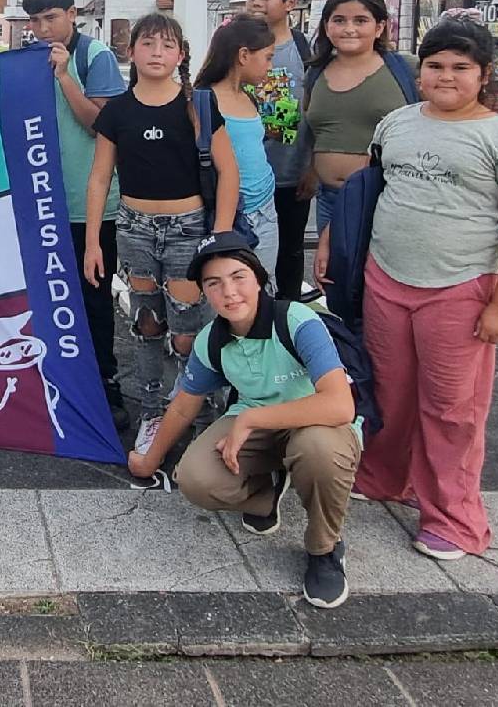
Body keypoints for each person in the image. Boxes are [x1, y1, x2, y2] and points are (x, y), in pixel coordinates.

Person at [332, 14, 498, 560]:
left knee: (452, 409)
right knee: (387, 391)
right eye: (434, 66)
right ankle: (384, 477)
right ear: (419, 69)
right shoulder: (397, 124)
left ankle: (454, 518)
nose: (446, 76)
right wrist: (333, 240)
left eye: (460, 67)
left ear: (484, 74)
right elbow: (366, 189)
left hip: (459, 288)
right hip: (386, 279)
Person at [128, 230, 359, 609]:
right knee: (195, 479)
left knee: (316, 450)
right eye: (214, 284)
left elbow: (339, 405)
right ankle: (265, 496)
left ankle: (324, 550)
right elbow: (185, 406)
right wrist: (150, 460)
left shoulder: (297, 320)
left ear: (258, 277)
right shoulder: (211, 339)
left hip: (317, 424)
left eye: (238, 277)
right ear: (204, 293)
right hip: (254, 428)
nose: (229, 292)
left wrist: (252, 418)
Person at [85, 12, 241, 453]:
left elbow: (229, 173)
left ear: (182, 55)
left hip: (188, 228)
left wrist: (222, 236)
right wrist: (94, 242)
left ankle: (196, 415)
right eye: (148, 44)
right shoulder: (116, 111)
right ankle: (153, 412)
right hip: (134, 227)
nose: (157, 53)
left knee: (188, 330)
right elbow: (100, 179)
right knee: (147, 324)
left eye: (167, 45)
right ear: (130, 51)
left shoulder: (198, 107)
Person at [23, 0, 128, 430]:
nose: (43, 29)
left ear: (72, 14)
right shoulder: (27, 58)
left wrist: (65, 76)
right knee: (46, 297)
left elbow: (100, 125)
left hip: (90, 203)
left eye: (51, 18)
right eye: (35, 21)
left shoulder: (94, 55)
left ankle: (104, 384)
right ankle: (58, 382)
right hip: (41, 200)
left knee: (93, 299)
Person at [301, 0, 417, 235]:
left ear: (379, 27)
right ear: (326, 25)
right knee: (334, 273)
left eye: (361, 20)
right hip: (329, 200)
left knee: (378, 274)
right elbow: (313, 133)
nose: (349, 29)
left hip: (386, 198)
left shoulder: (407, 69)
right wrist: (309, 172)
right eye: (339, 20)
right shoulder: (315, 72)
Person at [246, 0, 316, 300]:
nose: (257, 3)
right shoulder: (237, 49)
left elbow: (287, 126)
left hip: (290, 173)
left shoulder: (303, 51)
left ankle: (285, 316)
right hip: (248, 175)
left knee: (289, 250)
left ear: (289, 3)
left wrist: (312, 167)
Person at [194, 15, 280, 283]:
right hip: (229, 214)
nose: (270, 65)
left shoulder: (250, 95)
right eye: (267, 57)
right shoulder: (203, 101)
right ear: (243, 55)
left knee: (262, 289)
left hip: (265, 207)